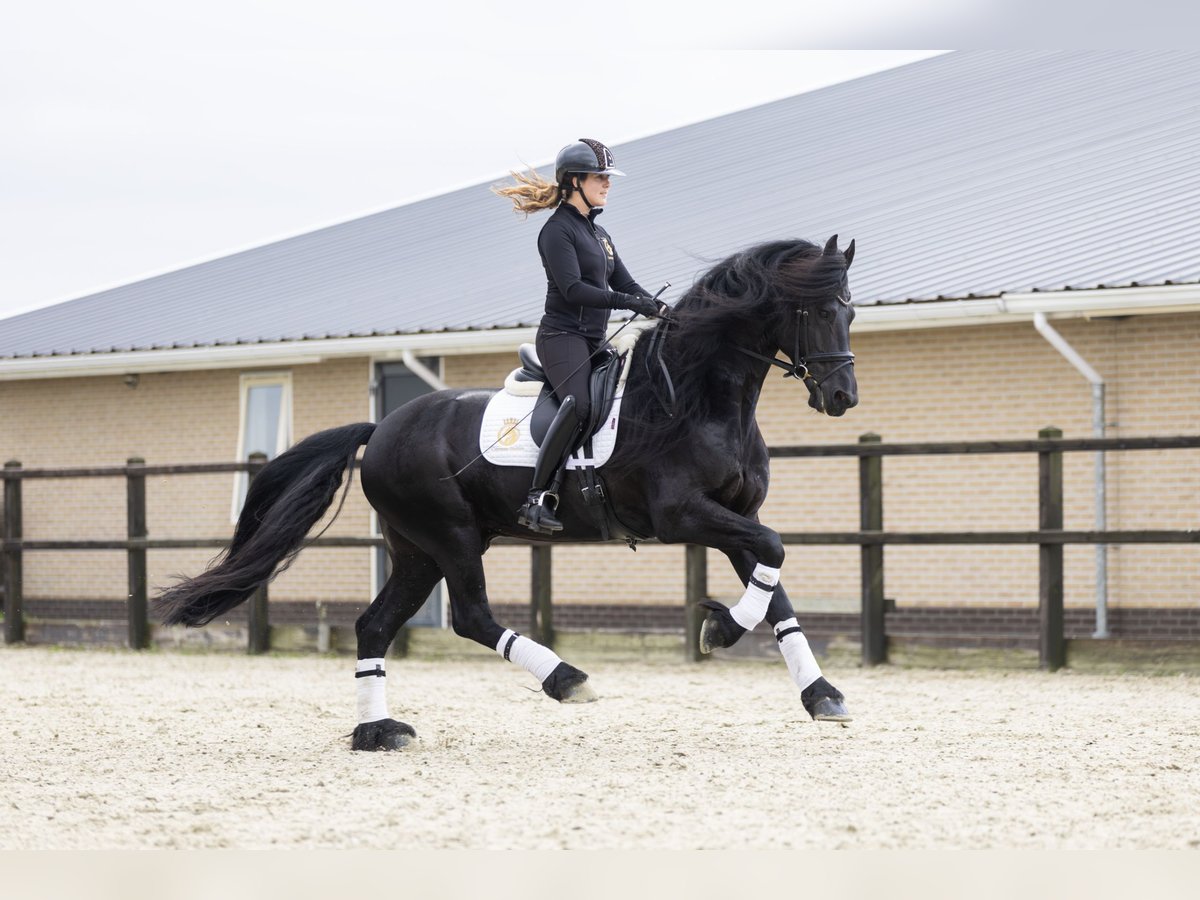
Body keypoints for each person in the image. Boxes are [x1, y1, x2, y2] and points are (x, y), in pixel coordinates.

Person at [494, 138, 658, 533]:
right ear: (574, 182)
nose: (607, 184)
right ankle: (536, 498)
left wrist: (660, 307)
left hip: (594, 340)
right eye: (599, 177)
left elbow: (627, 282)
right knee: (580, 404)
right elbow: (573, 290)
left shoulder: (600, 234)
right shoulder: (556, 232)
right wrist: (629, 303)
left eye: (607, 177)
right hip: (562, 336)